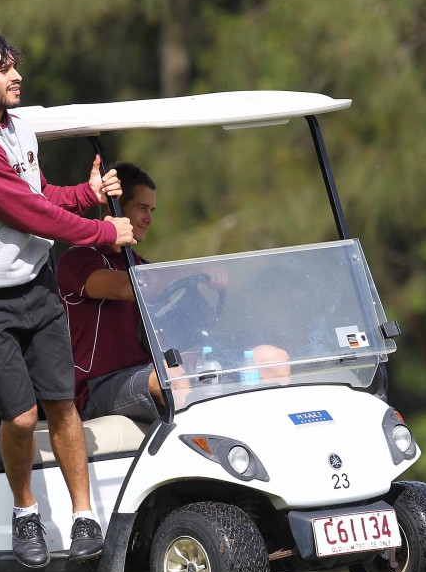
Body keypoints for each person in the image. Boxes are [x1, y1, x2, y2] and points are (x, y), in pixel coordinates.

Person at [0, 32, 134, 569]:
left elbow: (40, 195)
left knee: (62, 404)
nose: (17, 76)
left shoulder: (18, 129)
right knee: (21, 418)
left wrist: (87, 195)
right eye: (3, 70)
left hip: (36, 288)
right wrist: (104, 232)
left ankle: (85, 517)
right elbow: (29, 215)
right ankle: (25, 514)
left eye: (15, 66)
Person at [57, 162, 290, 423]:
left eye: (152, 210)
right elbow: (127, 287)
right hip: (98, 386)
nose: (149, 219)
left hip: (151, 369)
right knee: (173, 378)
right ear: (115, 207)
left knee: (272, 359)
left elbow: (172, 321)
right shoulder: (78, 260)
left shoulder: (141, 265)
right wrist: (194, 271)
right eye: (142, 208)